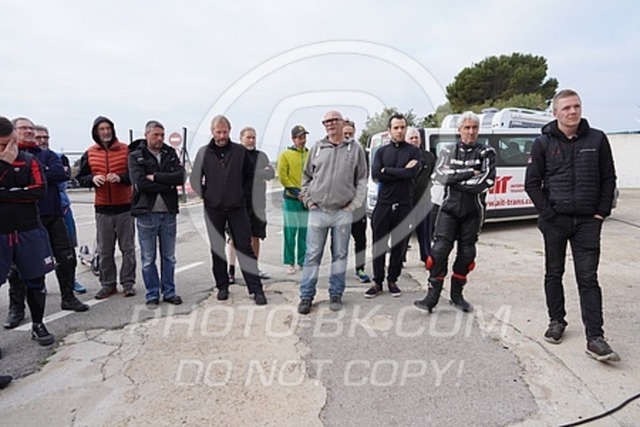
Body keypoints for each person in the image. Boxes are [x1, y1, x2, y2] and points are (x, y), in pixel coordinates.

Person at [525, 89, 620, 362]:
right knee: (553, 273)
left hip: (588, 222)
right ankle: (557, 321)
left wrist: (601, 212)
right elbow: (532, 183)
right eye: (566, 108)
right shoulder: (543, 143)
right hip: (555, 221)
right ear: (555, 112)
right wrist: (549, 214)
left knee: (588, 278)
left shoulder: (597, 139)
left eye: (576, 106)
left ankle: (596, 338)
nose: (572, 111)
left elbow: (608, 178)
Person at [4, 118, 88, 331]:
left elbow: (57, 176)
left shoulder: (46, 155)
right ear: (14, 132)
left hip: (53, 215)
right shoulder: (9, 157)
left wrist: (17, 188)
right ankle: (17, 308)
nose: (29, 132)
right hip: (22, 223)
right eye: (24, 128)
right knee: (17, 269)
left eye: (31, 128)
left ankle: (68, 297)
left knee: (66, 257)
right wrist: (25, 186)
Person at [414, 111, 496, 313]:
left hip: (473, 211)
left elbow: (486, 181)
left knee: (467, 254)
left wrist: (455, 178)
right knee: (438, 251)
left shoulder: (487, 152)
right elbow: (439, 176)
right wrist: (469, 172)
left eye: (474, 128)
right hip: (448, 209)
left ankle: (457, 296)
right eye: (467, 128)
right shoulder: (448, 150)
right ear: (459, 130)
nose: (471, 132)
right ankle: (432, 297)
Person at [190, 115, 267, 306]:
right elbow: (195, 179)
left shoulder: (240, 151)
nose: (222, 136)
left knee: (245, 247)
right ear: (212, 132)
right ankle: (222, 286)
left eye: (225, 132)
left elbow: (249, 175)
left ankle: (256, 289)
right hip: (213, 208)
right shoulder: (203, 152)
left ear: (230, 131)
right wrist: (207, 196)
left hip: (237, 208)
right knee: (217, 249)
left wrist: (242, 195)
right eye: (218, 132)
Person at [297, 111, 368, 314]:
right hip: (318, 210)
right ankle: (306, 296)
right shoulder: (317, 148)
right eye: (326, 121)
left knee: (340, 255)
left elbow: (362, 179)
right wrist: (309, 201)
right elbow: (306, 177)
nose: (329, 124)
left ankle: (336, 293)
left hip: (342, 211)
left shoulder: (355, 149)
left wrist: (354, 204)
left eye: (333, 120)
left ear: (342, 122)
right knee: (312, 255)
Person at [0, 116, 56, 345]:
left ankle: (38, 324)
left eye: (12, 142)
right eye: (4, 144)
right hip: (1, 232)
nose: (10, 148)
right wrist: (4, 163)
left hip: (29, 229)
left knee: (36, 280)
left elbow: (39, 191)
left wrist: (4, 194)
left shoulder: (29, 160)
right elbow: (27, 192)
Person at [76, 116, 137, 299]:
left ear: (113, 130)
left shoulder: (126, 150)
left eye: (108, 128)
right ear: (96, 132)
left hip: (124, 207)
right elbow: (80, 178)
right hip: (102, 208)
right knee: (104, 250)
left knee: (128, 248)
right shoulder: (90, 153)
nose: (106, 132)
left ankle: (128, 283)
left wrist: (121, 178)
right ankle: (108, 284)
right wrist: (92, 179)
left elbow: (135, 175)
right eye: (102, 129)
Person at [129, 120, 185, 308]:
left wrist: (156, 177)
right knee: (148, 258)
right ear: (147, 135)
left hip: (168, 213)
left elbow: (180, 177)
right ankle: (152, 294)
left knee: (169, 257)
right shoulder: (136, 156)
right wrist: (167, 185)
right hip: (146, 214)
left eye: (162, 135)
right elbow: (140, 184)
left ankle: (169, 292)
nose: (160, 138)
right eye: (156, 135)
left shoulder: (170, 154)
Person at [366, 114, 421, 298]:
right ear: (389, 130)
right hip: (383, 204)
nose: (399, 131)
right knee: (379, 244)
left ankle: (392, 280)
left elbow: (411, 174)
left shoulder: (413, 151)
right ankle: (377, 281)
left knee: (400, 245)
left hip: (404, 204)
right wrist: (402, 171)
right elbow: (376, 175)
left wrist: (387, 171)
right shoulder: (381, 152)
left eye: (402, 127)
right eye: (396, 128)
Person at [34, 125, 87, 294]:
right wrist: (46, 172)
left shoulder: (59, 157)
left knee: (67, 249)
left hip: (62, 209)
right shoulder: (28, 158)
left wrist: (40, 173)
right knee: (38, 251)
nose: (43, 141)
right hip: (37, 211)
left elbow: (62, 175)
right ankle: (39, 283)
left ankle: (70, 281)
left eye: (46, 137)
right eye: (39, 137)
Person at [226, 126, 274, 283]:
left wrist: (251, 172)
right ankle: (231, 270)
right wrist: (258, 172)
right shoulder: (234, 155)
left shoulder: (261, 156)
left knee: (256, 235)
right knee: (233, 237)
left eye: (253, 137)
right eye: (248, 137)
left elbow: (270, 173)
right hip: (238, 203)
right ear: (241, 139)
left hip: (258, 203)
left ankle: (254, 268)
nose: (251, 140)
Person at [277, 125, 310, 275]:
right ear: (293, 139)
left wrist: (308, 193)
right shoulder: (286, 155)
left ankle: (302, 261)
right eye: (299, 137)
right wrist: (297, 192)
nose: (302, 140)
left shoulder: (309, 154)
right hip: (292, 198)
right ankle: (290, 262)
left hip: (307, 198)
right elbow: (283, 176)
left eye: (304, 137)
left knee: (305, 231)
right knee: (290, 231)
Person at [343, 119, 371, 284]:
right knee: (339, 240)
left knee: (360, 239)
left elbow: (364, 177)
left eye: (350, 133)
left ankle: (360, 269)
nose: (347, 136)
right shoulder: (335, 151)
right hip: (340, 205)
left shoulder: (361, 152)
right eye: (345, 133)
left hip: (358, 204)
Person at [406, 127, 436, 263]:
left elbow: (434, 174)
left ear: (420, 140)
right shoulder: (402, 155)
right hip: (406, 201)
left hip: (424, 201)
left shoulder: (429, 156)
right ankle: (399, 259)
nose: (414, 140)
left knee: (425, 233)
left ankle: (426, 257)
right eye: (411, 138)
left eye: (416, 138)